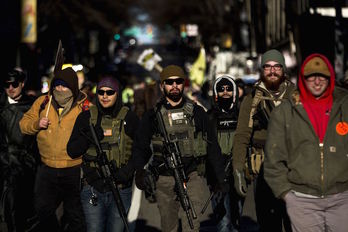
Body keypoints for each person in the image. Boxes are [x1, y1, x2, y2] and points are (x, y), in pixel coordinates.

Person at [132, 65, 226, 232]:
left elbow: (212, 146)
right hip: (164, 178)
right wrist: (140, 171)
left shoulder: (197, 112)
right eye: (169, 82)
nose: (174, 85)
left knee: (192, 225)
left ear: (184, 84)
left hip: (192, 176)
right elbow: (140, 146)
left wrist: (219, 178)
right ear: (162, 86)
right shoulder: (152, 116)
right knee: (169, 227)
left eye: (178, 81)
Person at [264, 53, 348, 232]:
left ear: (330, 77)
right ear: (303, 78)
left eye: (322, 76)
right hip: (302, 200)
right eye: (311, 77)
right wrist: (287, 194)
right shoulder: (285, 113)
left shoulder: (345, 107)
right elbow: (273, 159)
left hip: (342, 199)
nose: (317, 82)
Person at [232, 49, 295, 232]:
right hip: (263, 172)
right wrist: (238, 169)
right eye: (267, 67)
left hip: (293, 170)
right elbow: (242, 135)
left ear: (283, 69)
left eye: (277, 66)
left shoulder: (296, 96)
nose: (272, 71)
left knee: (296, 224)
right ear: (262, 70)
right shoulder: (252, 100)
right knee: (268, 225)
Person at [67, 76, 139, 232]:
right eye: (101, 92)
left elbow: (140, 151)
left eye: (110, 92)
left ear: (117, 94)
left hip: (121, 188)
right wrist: (89, 139)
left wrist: (126, 172)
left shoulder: (130, 118)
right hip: (93, 188)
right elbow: (72, 151)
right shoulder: (86, 117)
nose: (105, 96)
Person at [19, 67, 87, 232]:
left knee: (75, 214)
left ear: (72, 87)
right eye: (57, 85)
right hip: (47, 168)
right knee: (42, 209)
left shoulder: (83, 107)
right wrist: (37, 124)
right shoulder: (43, 102)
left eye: (64, 86)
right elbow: (23, 125)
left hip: (73, 168)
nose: (60, 89)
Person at [0, 68, 39, 231]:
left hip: (26, 166)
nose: (10, 88)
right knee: (11, 212)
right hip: (5, 166)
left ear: (22, 84)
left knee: (23, 212)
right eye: (6, 85)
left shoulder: (32, 106)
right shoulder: (1, 106)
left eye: (14, 84)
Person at [206, 75, 242, 232]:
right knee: (223, 222)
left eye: (228, 89)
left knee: (235, 219)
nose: (225, 92)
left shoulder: (242, 116)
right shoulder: (209, 118)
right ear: (215, 93)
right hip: (217, 177)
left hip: (239, 175)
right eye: (221, 89)